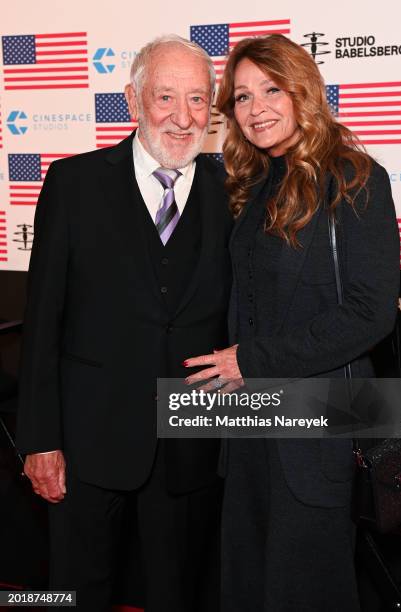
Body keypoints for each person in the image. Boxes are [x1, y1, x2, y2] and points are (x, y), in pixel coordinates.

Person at [184, 34, 400, 611]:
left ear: (302, 89)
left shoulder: (355, 178)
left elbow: (370, 311)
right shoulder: (254, 183)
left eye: (271, 90)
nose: (256, 110)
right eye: (242, 97)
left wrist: (249, 361)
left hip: (321, 426)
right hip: (253, 420)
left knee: (305, 587)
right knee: (249, 580)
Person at [17, 34, 232, 612]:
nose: (183, 118)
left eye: (197, 100)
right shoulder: (73, 184)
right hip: (88, 441)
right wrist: (40, 441)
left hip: (190, 442)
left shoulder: (231, 191)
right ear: (133, 102)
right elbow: (42, 324)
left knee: (177, 594)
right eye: (166, 98)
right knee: (75, 592)